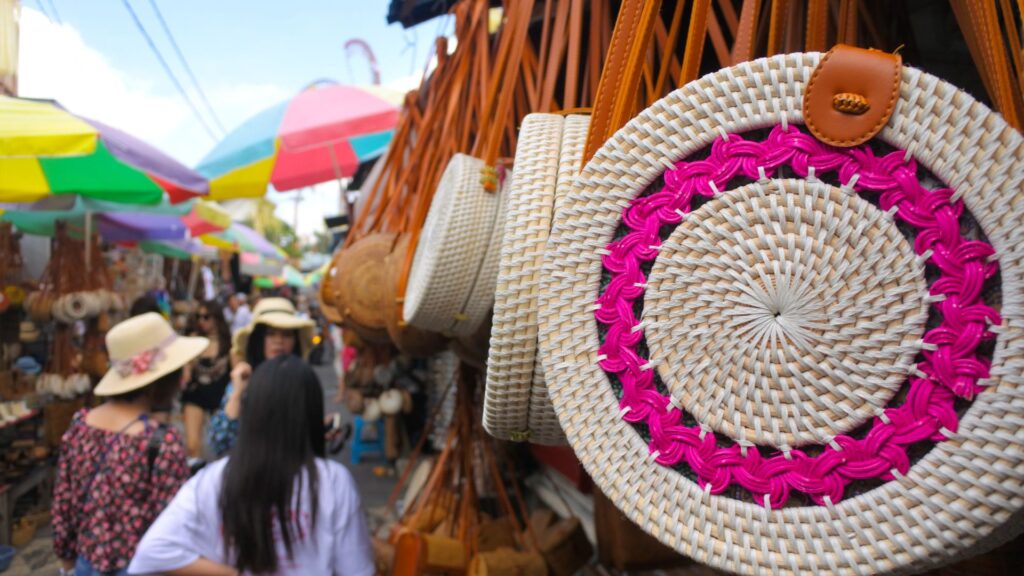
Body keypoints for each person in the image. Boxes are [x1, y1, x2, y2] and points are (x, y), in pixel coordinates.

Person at [128, 356, 374, 575]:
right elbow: (356, 568)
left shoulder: (214, 479)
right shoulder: (333, 481)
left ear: (252, 410)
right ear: (310, 411)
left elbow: (152, 552)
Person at [52, 313, 208, 576]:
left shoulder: (81, 424)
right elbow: (173, 527)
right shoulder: (160, 441)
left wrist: (67, 560)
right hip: (140, 567)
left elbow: (63, 504)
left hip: (85, 564)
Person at [206, 297, 314, 457]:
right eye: (270, 334)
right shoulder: (245, 380)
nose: (279, 341)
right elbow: (220, 443)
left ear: (295, 341)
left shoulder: (303, 381)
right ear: (258, 339)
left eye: (286, 334)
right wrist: (237, 393)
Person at [180, 300, 232, 469]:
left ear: (216, 318)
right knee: (192, 445)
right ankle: (195, 475)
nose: (201, 321)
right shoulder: (194, 341)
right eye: (198, 317)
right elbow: (186, 371)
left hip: (220, 397)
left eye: (206, 317)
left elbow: (237, 371)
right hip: (196, 395)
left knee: (222, 446)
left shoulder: (228, 344)